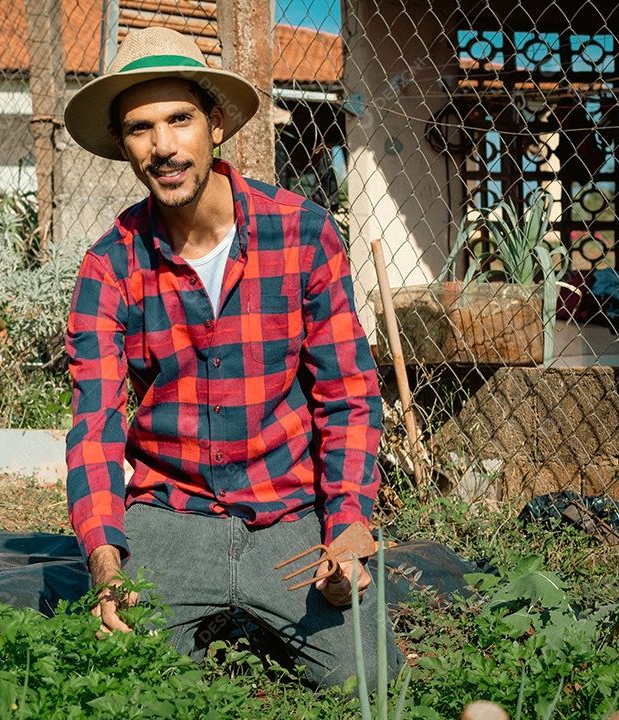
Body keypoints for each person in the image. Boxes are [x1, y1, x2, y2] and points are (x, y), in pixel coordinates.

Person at [62, 26, 403, 688]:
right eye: (140, 129)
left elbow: (349, 395)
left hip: (287, 509)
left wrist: (348, 532)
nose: (163, 146)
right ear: (124, 147)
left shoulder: (302, 232)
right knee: (118, 679)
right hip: (171, 513)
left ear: (215, 125)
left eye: (179, 119)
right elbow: (96, 426)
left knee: (372, 680)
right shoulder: (109, 265)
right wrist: (105, 561)